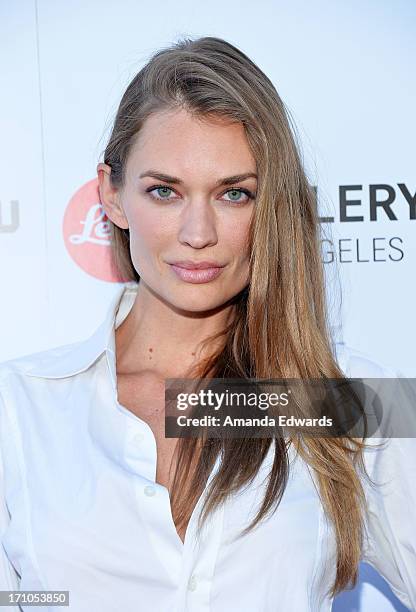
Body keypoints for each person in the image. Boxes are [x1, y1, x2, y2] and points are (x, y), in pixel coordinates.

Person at [0, 36, 415, 612]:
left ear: (271, 206)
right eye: (164, 191)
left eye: (235, 194)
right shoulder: (20, 408)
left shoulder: (347, 401)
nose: (199, 233)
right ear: (112, 195)